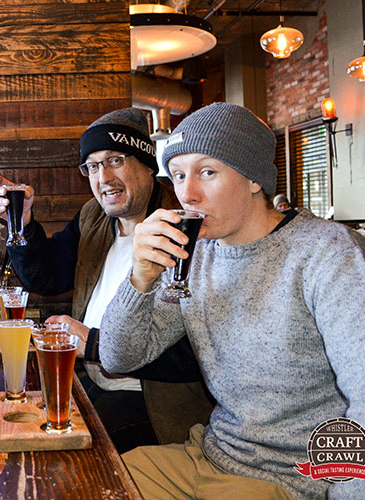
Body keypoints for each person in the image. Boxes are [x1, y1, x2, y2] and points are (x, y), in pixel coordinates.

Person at [100, 102, 365, 499]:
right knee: (88, 482)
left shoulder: (327, 254)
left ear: (254, 178)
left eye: (208, 172)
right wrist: (140, 277)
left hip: (291, 481)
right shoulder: (195, 253)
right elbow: (119, 357)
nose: (187, 194)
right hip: (208, 457)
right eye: (178, 175)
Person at [0, 108, 211, 452]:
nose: (103, 177)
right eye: (92, 166)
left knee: (56, 449)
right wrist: (25, 225)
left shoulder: (186, 227)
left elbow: (199, 352)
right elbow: (45, 277)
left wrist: (93, 344)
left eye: (115, 160)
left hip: (151, 406)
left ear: (147, 165)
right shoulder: (94, 216)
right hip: (87, 383)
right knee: (6, 420)